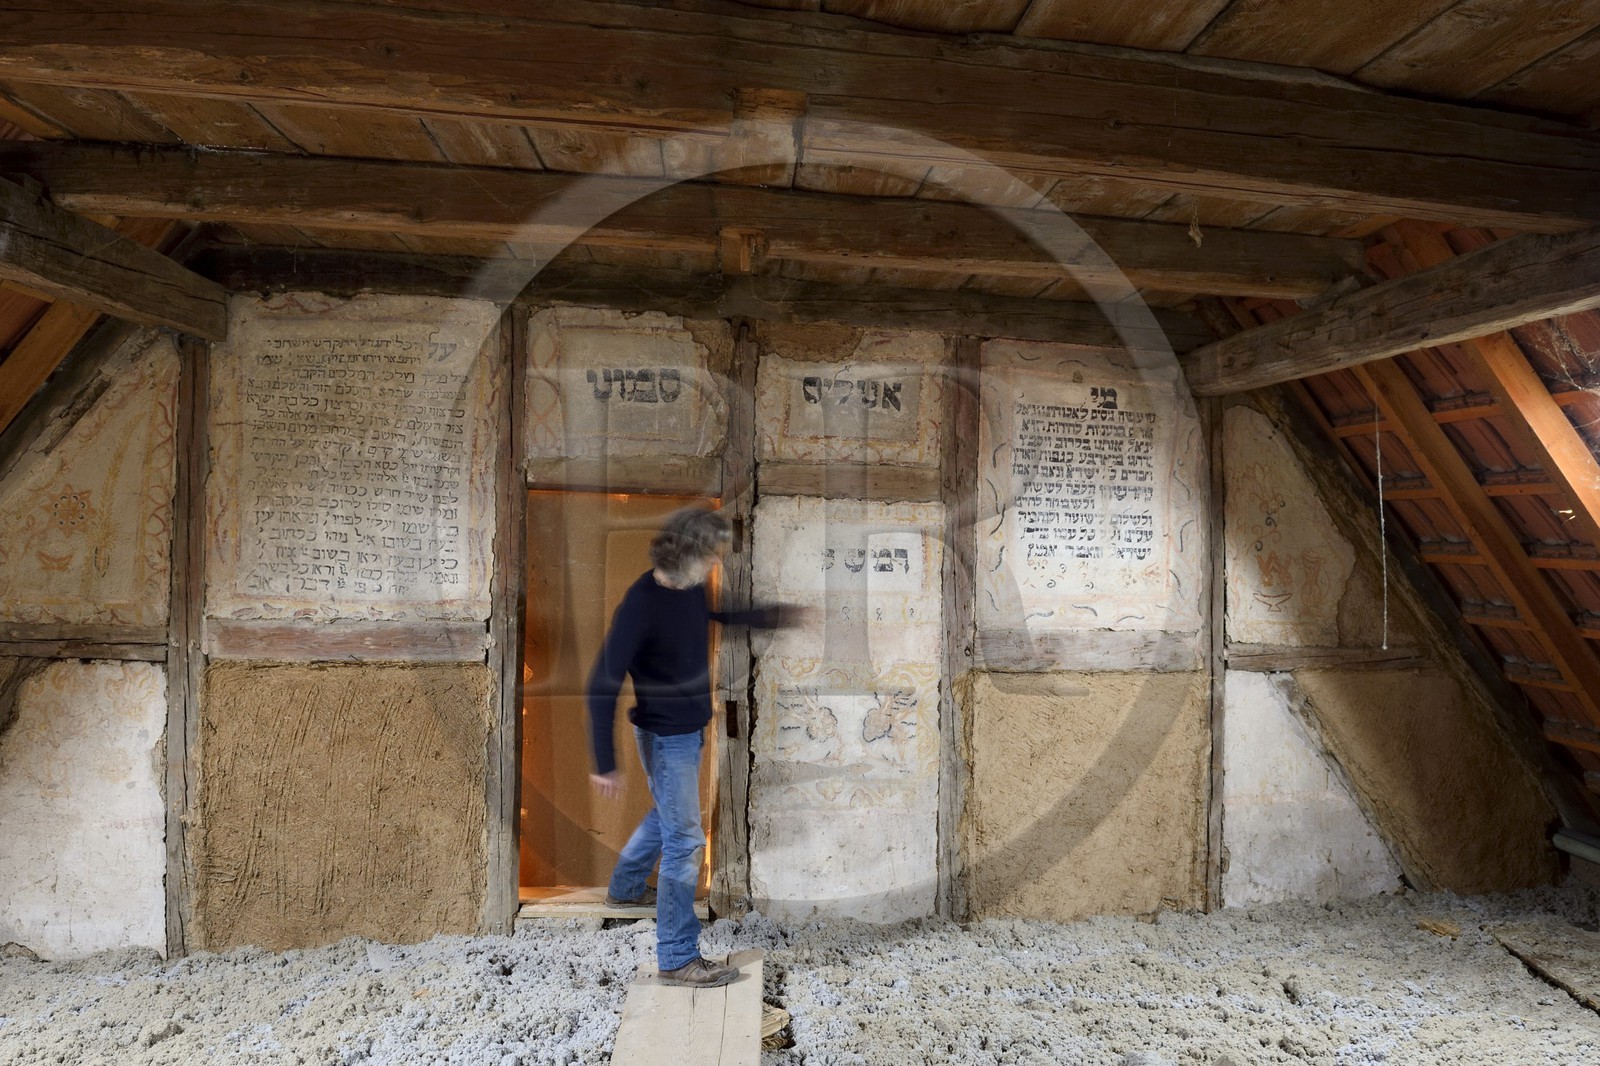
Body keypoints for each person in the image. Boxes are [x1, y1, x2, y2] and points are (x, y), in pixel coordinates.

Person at [587, 506, 798, 988]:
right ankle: (678, 957)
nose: (714, 562)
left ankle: (624, 891)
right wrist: (604, 760)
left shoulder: (691, 587)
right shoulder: (640, 605)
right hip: (665, 736)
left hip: (688, 727)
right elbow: (602, 680)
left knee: (669, 817)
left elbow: (708, 613)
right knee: (686, 840)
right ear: (684, 553)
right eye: (709, 554)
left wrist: (764, 617)